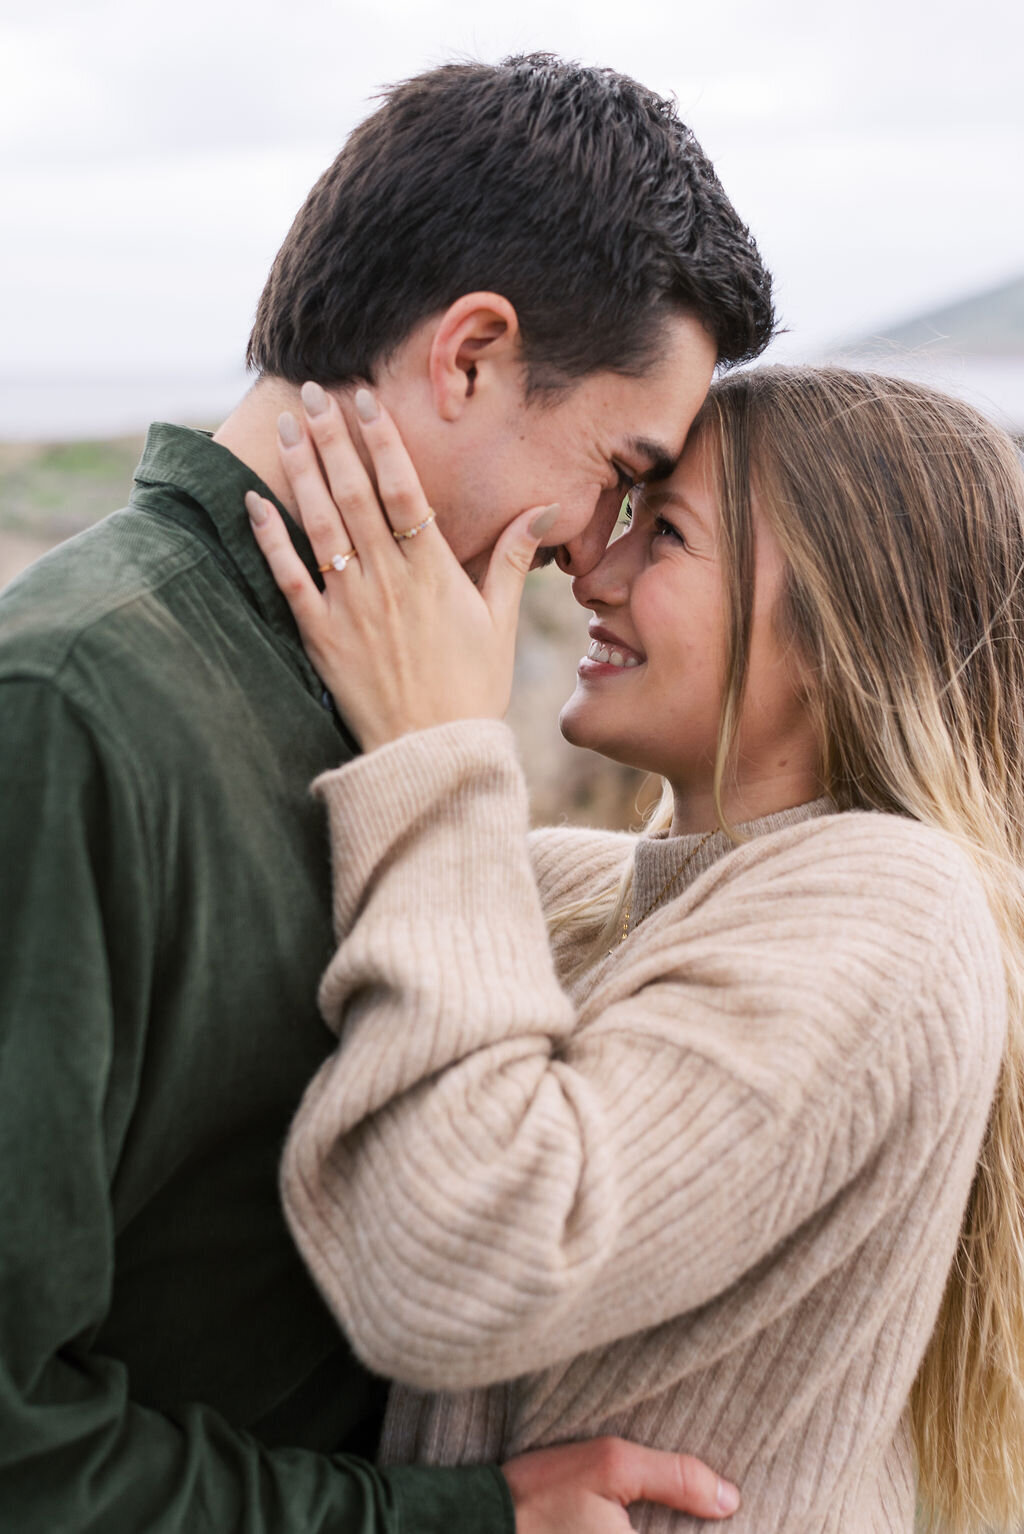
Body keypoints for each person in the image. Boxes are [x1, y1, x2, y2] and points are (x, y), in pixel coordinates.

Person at [0, 55, 774, 1534]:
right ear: (470, 354)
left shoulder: (366, 706)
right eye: (619, 470)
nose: (594, 550)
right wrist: (464, 1518)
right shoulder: (72, 713)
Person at [247, 363, 1024, 1533]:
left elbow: (456, 1254)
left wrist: (441, 741)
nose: (591, 568)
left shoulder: (896, 906)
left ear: (837, 625)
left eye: (661, 533)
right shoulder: (583, 896)